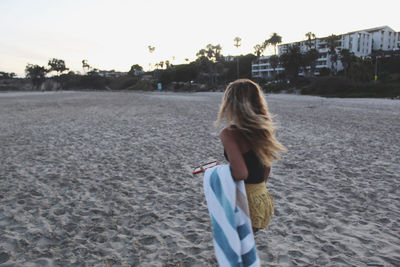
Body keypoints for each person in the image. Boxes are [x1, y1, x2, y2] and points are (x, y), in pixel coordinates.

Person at [215, 78, 286, 232]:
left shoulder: (229, 134)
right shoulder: (264, 130)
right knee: (246, 248)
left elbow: (241, 173)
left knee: (234, 251)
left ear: (230, 104)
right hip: (263, 200)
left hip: (244, 202)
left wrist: (216, 173)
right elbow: (267, 168)